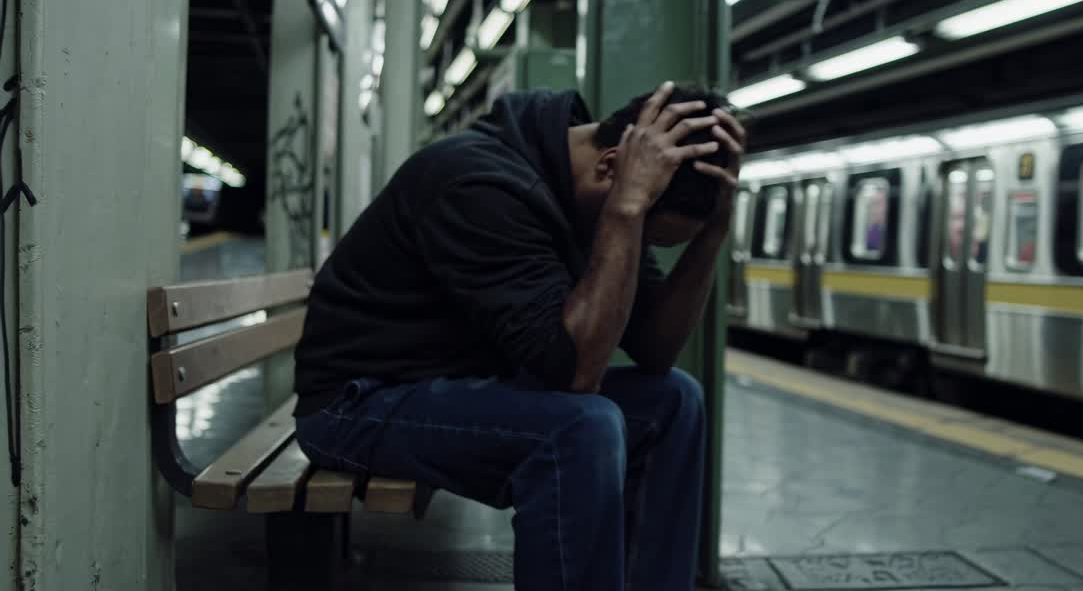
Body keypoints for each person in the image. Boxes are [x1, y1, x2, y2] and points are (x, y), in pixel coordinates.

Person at [291, 81, 745, 590]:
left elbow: (657, 351)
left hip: (453, 384)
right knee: (580, 426)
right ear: (610, 166)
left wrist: (713, 233)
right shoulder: (476, 182)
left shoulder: (594, 189)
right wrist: (626, 212)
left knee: (675, 400)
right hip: (356, 404)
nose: (637, 239)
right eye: (641, 226)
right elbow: (577, 374)